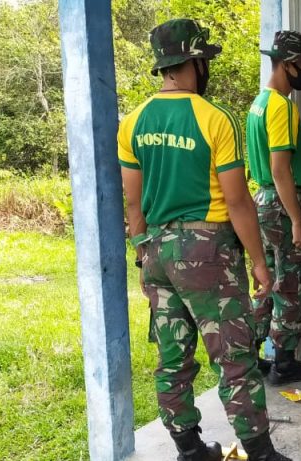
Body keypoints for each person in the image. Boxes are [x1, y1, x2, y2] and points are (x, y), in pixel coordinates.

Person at [118, 18, 290, 461]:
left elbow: (134, 204)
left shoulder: (132, 122)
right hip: (207, 251)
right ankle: (261, 453)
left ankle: (190, 449)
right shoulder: (214, 118)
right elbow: (237, 201)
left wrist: (142, 254)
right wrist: (258, 261)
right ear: (194, 62)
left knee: (173, 357)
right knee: (234, 357)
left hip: (156, 250)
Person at [246, 30, 301, 386]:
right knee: (290, 283)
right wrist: (296, 220)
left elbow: (276, 165)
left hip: (264, 202)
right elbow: (279, 169)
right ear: (289, 65)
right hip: (281, 206)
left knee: (268, 281)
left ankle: (252, 357)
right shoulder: (281, 107)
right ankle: (284, 363)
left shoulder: (259, 103)